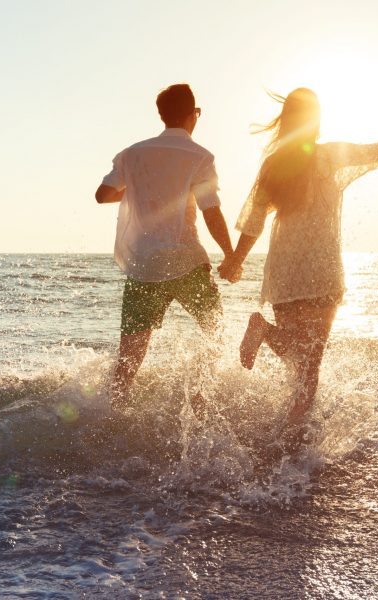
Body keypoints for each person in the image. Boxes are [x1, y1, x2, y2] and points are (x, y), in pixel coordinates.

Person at [218, 77, 378, 426]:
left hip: (284, 273)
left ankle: (269, 348)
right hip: (322, 273)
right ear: (315, 120)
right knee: (308, 368)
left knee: (296, 361)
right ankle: (294, 446)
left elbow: (253, 222)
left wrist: (237, 260)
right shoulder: (331, 157)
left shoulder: (273, 166)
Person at [96, 83, 237, 414]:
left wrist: (137, 192)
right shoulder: (200, 157)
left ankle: (113, 417)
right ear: (192, 115)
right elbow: (211, 210)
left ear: (162, 115)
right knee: (216, 335)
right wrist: (231, 255)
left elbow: (102, 194)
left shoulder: (132, 154)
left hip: (144, 267)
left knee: (130, 356)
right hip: (187, 262)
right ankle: (201, 400)